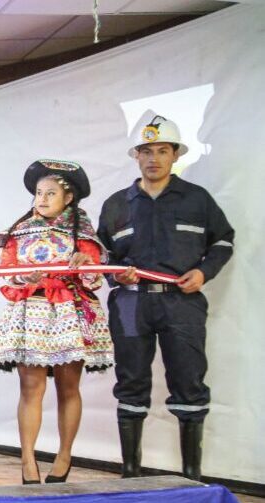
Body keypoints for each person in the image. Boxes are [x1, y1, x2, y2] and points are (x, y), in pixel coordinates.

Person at [97, 112, 234, 481]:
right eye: (146, 151)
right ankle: (130, 474)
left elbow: (223, 242)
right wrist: (115, 274)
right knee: (131, 382)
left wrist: (204, 272)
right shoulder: (116, 204)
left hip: (181, 303)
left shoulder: (197, 200)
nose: (153, 158)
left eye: (161, 150)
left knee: (189, 380)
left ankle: (191, 476)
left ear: (175, 155)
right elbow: (102, 255)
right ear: (136, 156)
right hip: (130, 304)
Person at [0, 159, 114, 484]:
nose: (42, 199)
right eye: (39, 192)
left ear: (68, 198)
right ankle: (27, 460)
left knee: (68, 387)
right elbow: (7, 270)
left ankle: (64, 455)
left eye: (51, 193)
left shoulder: (83, 232)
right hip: (31, 311)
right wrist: (22, 276)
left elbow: (94, 278)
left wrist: (85, 265)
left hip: (68, 312)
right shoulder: (20, 231)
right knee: (30, 387)